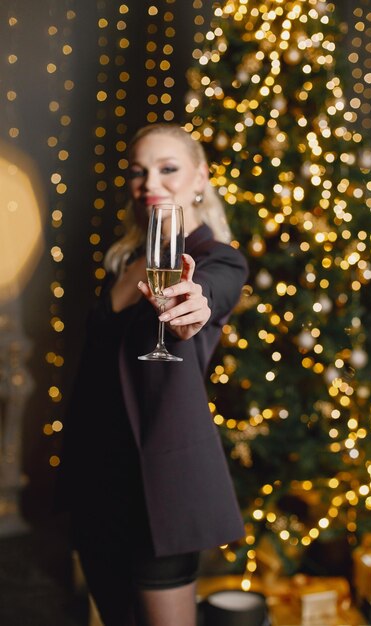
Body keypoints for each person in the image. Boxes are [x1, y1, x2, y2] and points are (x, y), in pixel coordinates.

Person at [58, 123, 248, 626]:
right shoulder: (123, 262)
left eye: (168, 169)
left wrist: (193, 308)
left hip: (156, 488)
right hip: (96, 478)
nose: (151, 184)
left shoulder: (216, 261)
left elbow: (208, 295)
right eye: (139, 173)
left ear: (200, 178)